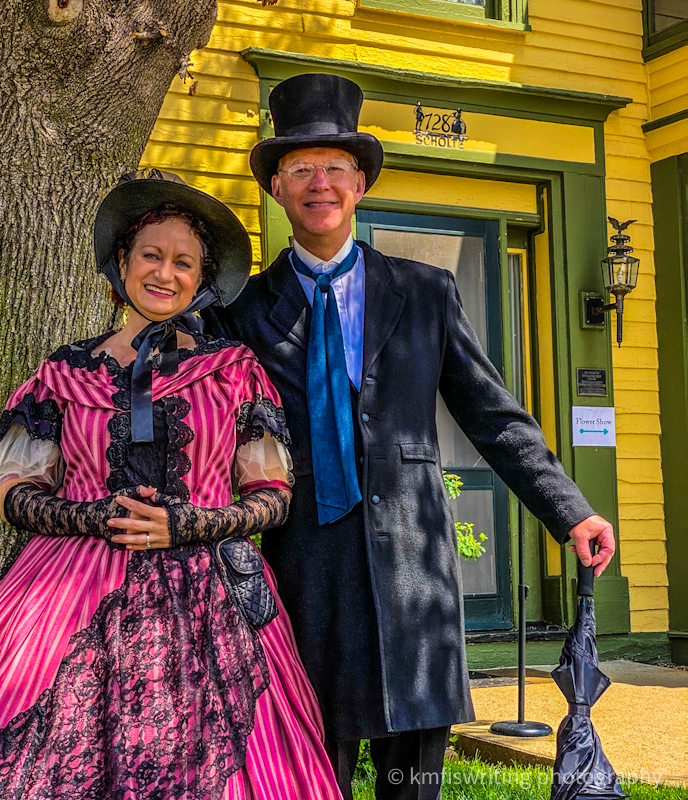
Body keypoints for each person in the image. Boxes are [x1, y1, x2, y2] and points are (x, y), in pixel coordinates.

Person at [206, 73, 618, 800]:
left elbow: (492, 414)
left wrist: (569, 509)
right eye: (300, 167)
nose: (319, 182)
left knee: (408, 784)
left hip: (412, 582)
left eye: (335, 166)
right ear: (276, 186)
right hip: (303, 576)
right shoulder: (241, 311)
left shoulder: (425, 292)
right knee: (309, 777)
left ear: (360, 182)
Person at [0, 169, 343, 800]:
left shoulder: (233, 371)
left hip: (208, 592)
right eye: (151, 256)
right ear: (121, 265)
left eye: (184, 262)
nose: (165, 273)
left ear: (203, 281)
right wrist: (92, 516)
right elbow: (15, 495)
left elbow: (273, 497)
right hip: (66, 589)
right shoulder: (64, 372)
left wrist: (186, 524)